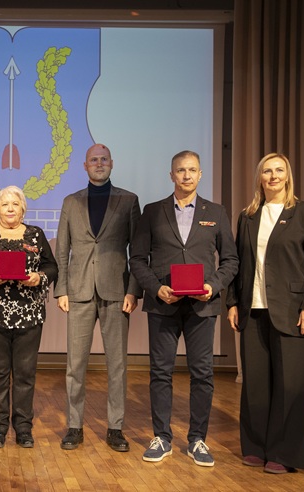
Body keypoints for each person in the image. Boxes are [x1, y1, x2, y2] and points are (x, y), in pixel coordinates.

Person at [129, 150, 238, 467]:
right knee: (160, 372)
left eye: (192, 170)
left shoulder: (216, 212)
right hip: (163, 304)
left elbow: (230, 260)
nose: (186, 175)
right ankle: (162, 438)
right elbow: (138, 259)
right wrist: (156, 288)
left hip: (203, 306)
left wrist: (213, 286)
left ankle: (197, 440)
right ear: (171, 175)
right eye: (180, 170)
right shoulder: (152, 211)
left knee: (202, 373)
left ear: (200, 174)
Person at [226, 153, 304, 474]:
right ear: (259, 177)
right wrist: (232, 302)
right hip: (253, 310)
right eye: (267, 171)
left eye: (279, 170)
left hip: (294, 311)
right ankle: (256, 446)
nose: (273, 176)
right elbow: (238, 263)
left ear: (287, 176)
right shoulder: (248, 216)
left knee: (291, 387)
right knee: (255, 385)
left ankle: (285, 454)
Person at [54, 143, 141, 452]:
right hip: (78, 291)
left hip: (117, 291)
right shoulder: (71, 201)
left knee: (117, 365)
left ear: (112, 163)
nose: (99, 163)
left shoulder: (129, 200)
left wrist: (134, 289)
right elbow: (62, 249)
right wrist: (61, 289)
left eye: (104, 159)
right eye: (94, 159)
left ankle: (115, 428)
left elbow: (138, 251)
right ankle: (74, 426)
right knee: (75, 364)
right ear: (85, 165)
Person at [0, 186, 57, 448]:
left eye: (15, 204)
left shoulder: (35, 234)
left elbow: (51, 266)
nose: (10, 208)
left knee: (25, 374)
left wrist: (39, 277)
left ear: (23, 209)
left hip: (29, 314)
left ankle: (23, 428)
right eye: (5, 204)